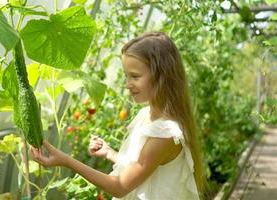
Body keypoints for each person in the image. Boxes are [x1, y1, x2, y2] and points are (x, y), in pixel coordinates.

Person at [30, 31, 205, 199]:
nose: (128, 84)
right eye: (126, 76)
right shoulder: (147, 115)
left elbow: (120, 186)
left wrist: (65, 160)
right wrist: (110, 153)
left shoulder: (165, 134)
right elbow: (141, 166)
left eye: (135, 76)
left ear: (162, 76)